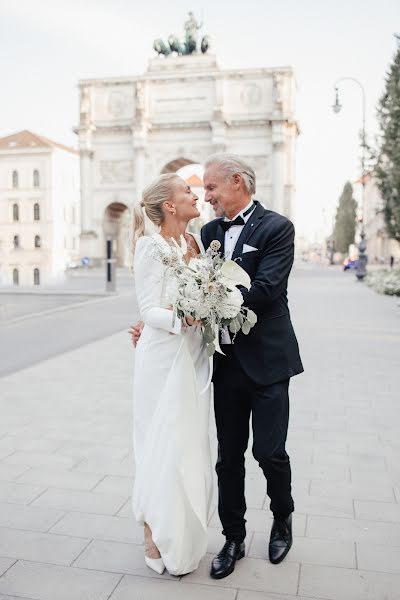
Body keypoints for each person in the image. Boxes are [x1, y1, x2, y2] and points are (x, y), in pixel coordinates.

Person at [130, 154, 303, 579]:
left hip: (267, 359)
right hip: (220, 363)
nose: (205, 197)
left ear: (238, 182)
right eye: (198, 190)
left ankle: (282, 517)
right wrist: (157, 319)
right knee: (227, 457)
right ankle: (233, 537)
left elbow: (264, 289)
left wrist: (200, 309)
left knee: (269, 452)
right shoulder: (204, 234)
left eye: (210, 188)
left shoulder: (278, 228)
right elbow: (170, 289)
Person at [130, 173, 213, 576]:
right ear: (169, 206)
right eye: (187, 191)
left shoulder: (192, 244)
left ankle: (180, 532)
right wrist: (185, 318)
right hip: (162, 358)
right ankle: (152, 532)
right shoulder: (150, 246)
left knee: (186, 447)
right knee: (160, 444)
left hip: (193, 356)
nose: (195, 194)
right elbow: (148, 310)